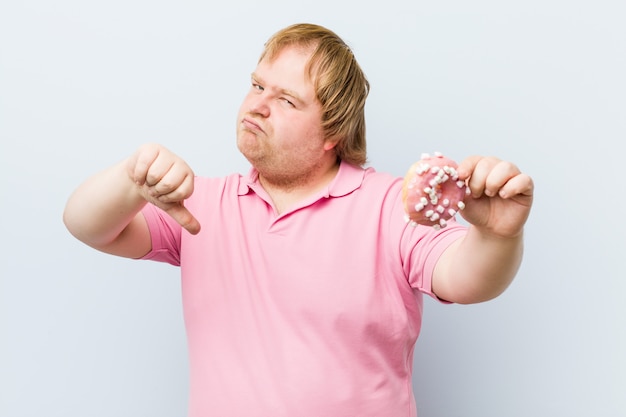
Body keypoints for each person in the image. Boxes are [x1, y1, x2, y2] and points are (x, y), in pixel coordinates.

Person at [63, 23, 533, 417]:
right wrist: (131, 177)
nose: (257, 105)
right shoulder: (199, 206)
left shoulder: (389, 207)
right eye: (256, 85)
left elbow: (468, 280)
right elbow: (87, 224)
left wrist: (497, 235)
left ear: (333, 130)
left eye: (287, 100)